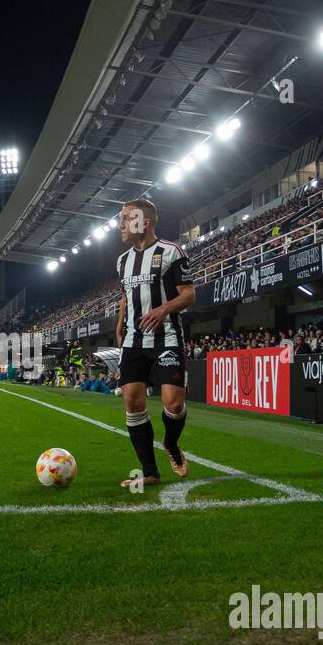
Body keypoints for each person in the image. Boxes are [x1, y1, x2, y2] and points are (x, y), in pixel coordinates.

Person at [114, 198, 196, 487]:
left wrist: (163, 310)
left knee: (173, 403)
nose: (120, 224)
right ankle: (149, 472)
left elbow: (189, 294)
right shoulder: (122, 261)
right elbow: (126, 295)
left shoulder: (172, 252)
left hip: (167, 338)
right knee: (132, 402)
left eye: (126, 218)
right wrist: (119, 325)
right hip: (133, 341)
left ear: (145, 222)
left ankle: (171, 444)